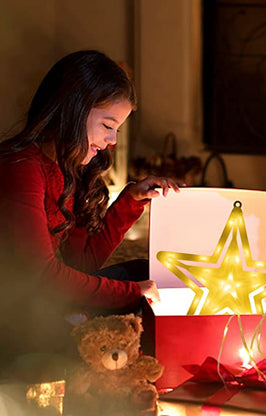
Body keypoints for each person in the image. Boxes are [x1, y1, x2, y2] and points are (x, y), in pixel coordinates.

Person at [0, 50, 179, 367]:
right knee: (137, 295)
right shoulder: (22, 168)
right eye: (108, 125)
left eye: (117, 130)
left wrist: (128, 203)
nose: (111, 141)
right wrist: (132, 292)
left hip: (50, 300)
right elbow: (44, 276)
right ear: (73, 109)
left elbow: (81, 266)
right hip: (16, 314)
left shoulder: (69, 170)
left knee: (149, 272)